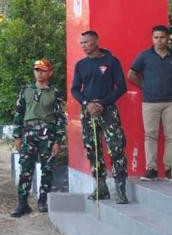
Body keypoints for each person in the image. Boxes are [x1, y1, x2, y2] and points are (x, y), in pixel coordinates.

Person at [71, 30, 131, 204]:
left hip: (108, 109)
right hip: (88, 111)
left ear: (96, 42)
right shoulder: (81, 65)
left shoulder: (111, 62)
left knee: (116, 148)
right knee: (92, 149)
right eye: (81, 43)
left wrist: (102, 104)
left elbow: (121, 87)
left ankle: (120, 190)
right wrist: (86, 104)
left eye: (87, 42)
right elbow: (75, 89)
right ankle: (101, 187)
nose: (83, 46)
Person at [128, 25, 172, 180]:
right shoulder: (145, 56)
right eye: (156, 37)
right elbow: (131, 74)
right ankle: (152, 170)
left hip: (171, 102)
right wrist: (145, 85)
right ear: (152, 38)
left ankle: (170, 169)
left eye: (162, 37)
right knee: (150, 135)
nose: (159, 40)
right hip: (150, 102)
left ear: (168, 39)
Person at [11, 59, 67, 217]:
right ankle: (22, 203)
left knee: (47, 168)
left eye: (43, 70)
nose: (39, 73)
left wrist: (58, 141)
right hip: (29, 132)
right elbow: (18, 113)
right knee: (25, 168)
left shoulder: (55, 93)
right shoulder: (25, 91)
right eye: (37, 70)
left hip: (47, 133)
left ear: (50, 72)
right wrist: (17, 136)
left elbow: (60, 118)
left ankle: (43, 201)